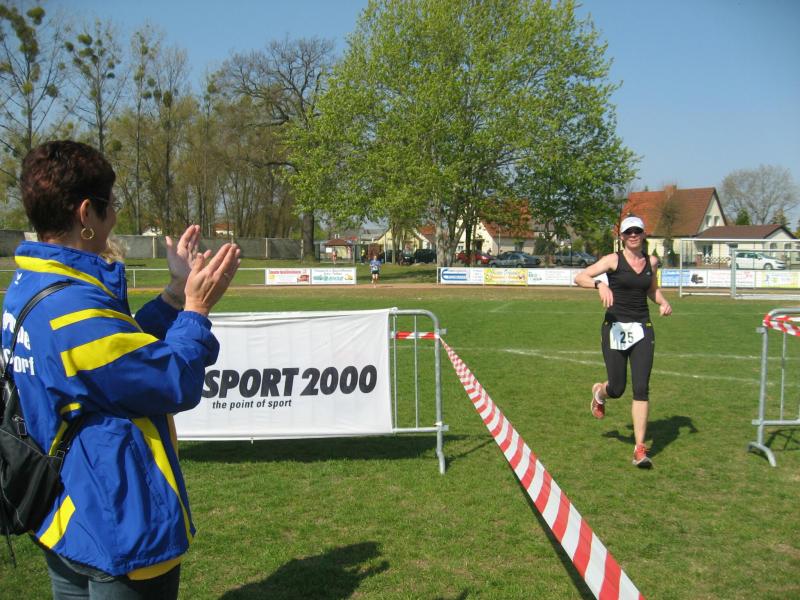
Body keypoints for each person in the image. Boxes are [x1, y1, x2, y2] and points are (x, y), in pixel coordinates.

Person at [3, 140, 240, 598]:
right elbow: (173, 379)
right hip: (118, 520)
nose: (114, 217)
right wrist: (196, 309)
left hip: (65, 513)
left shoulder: (32, 285)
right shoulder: (72, 311)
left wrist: (174, 293)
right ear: (86, 213)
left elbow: (111, 358)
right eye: (110, 205)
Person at [574, 215, 672, 468]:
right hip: (615, 328)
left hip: (642, 329)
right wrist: (599, 285)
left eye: (637, 231)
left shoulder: (651, 262)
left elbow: (651, 289)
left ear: (643, 234)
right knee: (617, 388)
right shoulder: (613, 260)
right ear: (622, 237)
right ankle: (600, 392)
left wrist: (663, 302)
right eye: (629, 232)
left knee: (641, 388)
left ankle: (639, 448)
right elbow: (580, 277)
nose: (633, 235)